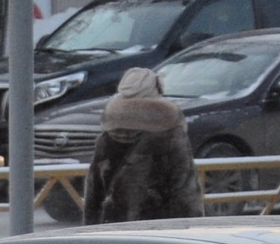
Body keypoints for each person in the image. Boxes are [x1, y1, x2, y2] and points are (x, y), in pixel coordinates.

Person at [81, 67, 203, 223]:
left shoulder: (106, 138)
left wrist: (91, 228)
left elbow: (93, 193)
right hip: (159, 227)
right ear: (155, 89)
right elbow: (185, 192)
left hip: (113, 227)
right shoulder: (170, 134)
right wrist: (191, 227)